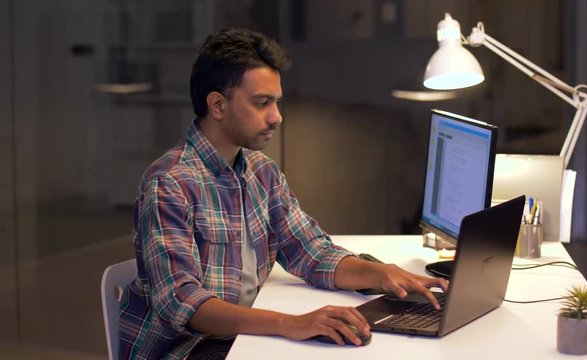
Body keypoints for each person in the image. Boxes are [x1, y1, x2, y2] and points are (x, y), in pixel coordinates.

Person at [119, 28, 448, 360]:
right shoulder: (169, 182)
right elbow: (185, 305)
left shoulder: (261, 171)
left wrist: (383, 274)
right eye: (262, 103)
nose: (277, 116)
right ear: (218, 105)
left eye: (276, 102)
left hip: (243, 337)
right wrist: (291, 323)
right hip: (188, 349)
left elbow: (311, 252)